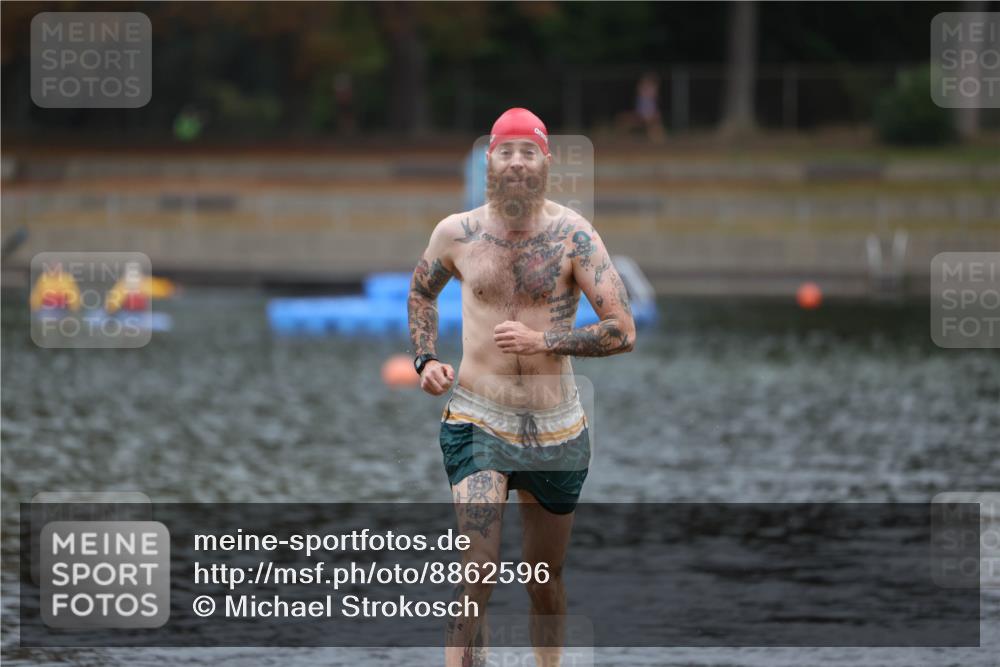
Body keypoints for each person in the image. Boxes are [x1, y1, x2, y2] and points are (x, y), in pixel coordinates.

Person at [407, 107, 636, 667]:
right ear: (490, 160)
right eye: (505, 150)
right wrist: (425, 360)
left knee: (544, 580)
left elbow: (622, 331)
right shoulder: (455, 233)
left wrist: (546, 341)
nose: (515, 161)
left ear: (545, 162)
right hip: (476, 421)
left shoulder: (573, 237)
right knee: (476, 571)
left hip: (555, 429)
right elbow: (421, 293)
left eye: (527, 151)